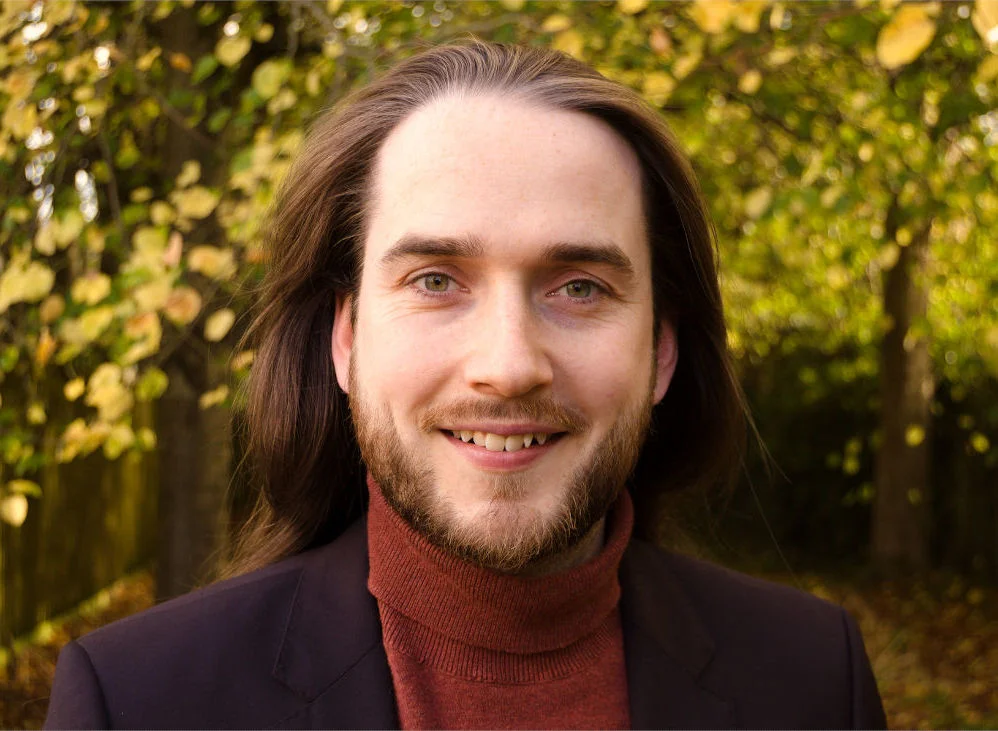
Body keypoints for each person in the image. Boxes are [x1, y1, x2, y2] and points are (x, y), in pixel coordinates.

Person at [45, 40, 886, 730]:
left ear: (663, 350)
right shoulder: (137, 700)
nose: (510, 363)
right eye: (436, 280)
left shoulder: (814, 679)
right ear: (346, 339)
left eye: (580, 287)